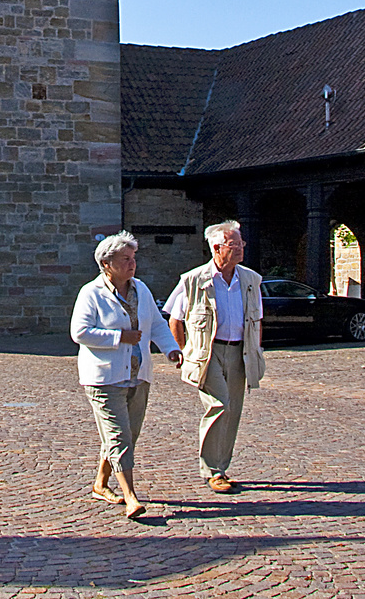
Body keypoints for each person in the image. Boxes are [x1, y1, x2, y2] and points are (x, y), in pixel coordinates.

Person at [72, 232, 183, 519]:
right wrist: (119, 337)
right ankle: (131, 496)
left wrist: (171, 349)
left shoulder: (141, 290)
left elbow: (156, 324)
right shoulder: (91, 293)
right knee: (119, 436)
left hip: (139, 374)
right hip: (103, 378)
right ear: (106, 264)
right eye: (126, 259)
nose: (132, 264)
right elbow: (80, 332)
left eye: (133, 258)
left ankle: (100, 483)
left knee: (127, 436)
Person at [166, 220, 265, 493]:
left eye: (241, 243)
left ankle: (222, 467)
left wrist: (256, 351)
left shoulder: (250, 280)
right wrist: (185, 352)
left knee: (233, 411)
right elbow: (175, 319)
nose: (241, 248)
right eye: (234, 244)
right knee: (220, 405)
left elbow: (256, 320)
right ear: (217, 248)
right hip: (208, 353)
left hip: (239, 352)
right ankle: (212, 470)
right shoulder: (194, 280)